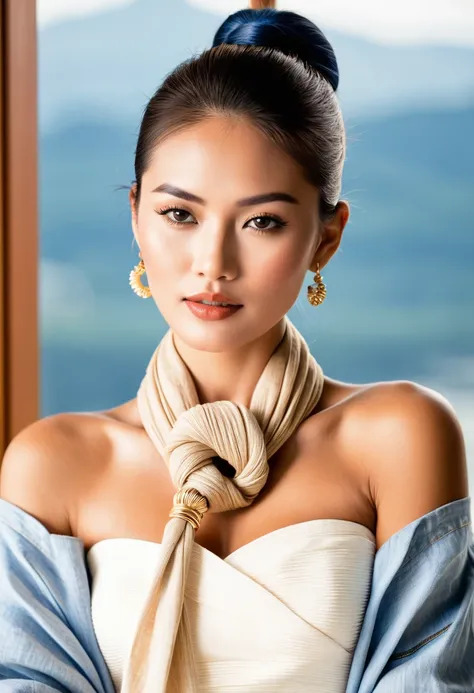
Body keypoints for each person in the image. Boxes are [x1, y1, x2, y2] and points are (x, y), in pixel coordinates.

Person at [0, 3, 473, 693]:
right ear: (135, 214)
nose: (212, 262)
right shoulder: (55, 466)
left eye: (262, 220)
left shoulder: (399, 436)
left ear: (326, 237)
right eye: (180, 214)